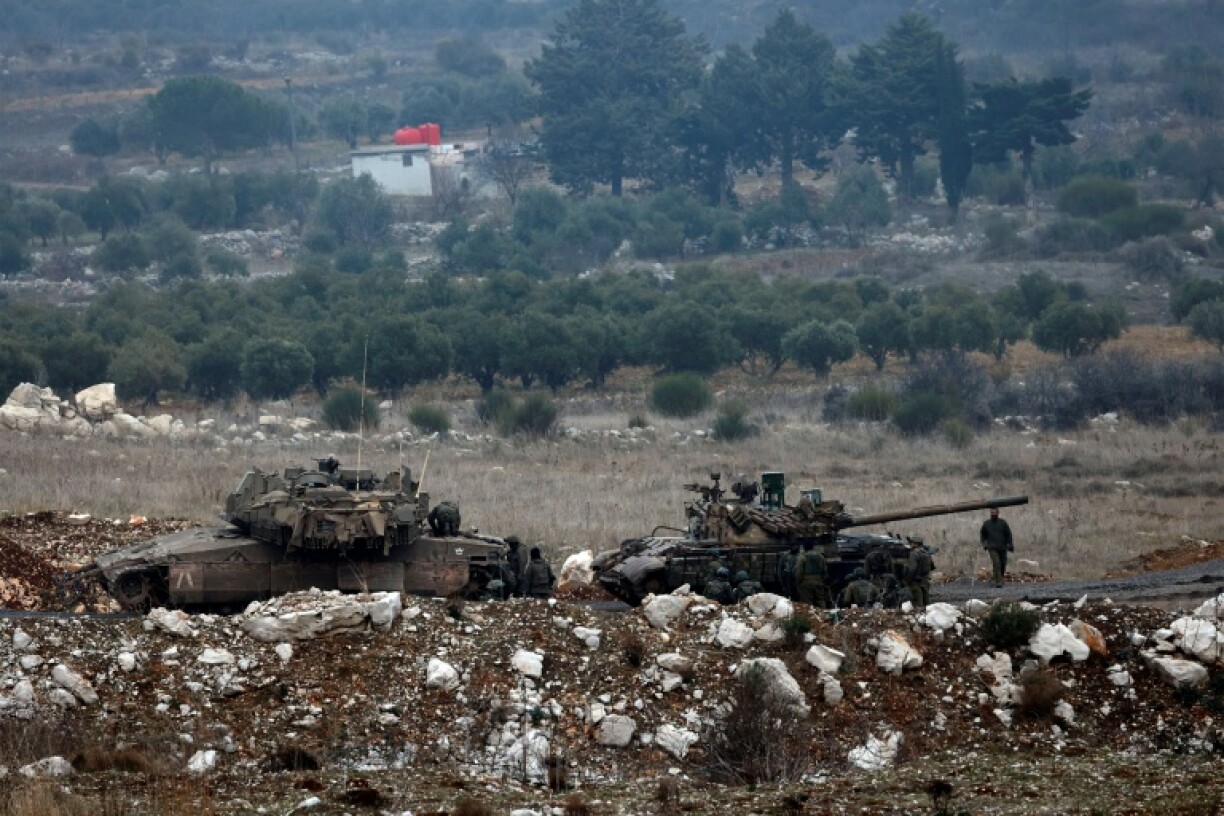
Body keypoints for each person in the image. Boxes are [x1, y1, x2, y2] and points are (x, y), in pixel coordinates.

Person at [980, 507, 1014, 588]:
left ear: (998, 513)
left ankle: (997, 577)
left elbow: (1008, 534)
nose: (993, 514)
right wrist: (984, 544)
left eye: (994, 512)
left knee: (1002, 564)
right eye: (991, 512)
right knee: (996, 563)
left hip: (1002, 547)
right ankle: (999, 581)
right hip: (992, 547)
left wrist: (1010, 544)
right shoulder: (986, 524)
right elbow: (982, 535)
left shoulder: (1003, 523)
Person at [793, 541, 829, 608]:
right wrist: (822, 579)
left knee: (807, 602)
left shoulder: (803, 557)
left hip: (806, 582)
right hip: (818, 581)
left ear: (804, 548)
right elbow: (825, 569)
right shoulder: (820, 556)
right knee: (820, 600)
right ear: (813, 547)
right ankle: (823, 615)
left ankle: (809, 616)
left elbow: (799, 571)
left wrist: (798, 581)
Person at [903, 536, 934, 608]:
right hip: (925, 580)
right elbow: (931, 566)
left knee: (917, 603)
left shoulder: (914, 553)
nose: (910, 544)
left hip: (916, 582)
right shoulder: (926, 553)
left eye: (912, 543)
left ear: (915, 544)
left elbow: (912, 569)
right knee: (926, 601)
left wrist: (906, 581)